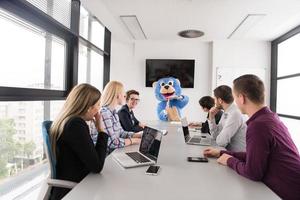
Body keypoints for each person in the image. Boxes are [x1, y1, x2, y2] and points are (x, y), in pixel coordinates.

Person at [203, 74, 300, 199]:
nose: (234, 102)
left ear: (242, 98)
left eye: (235, 97)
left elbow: (253, 172)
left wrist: (229, 160)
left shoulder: (258, 125)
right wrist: (221, 153)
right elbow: (255, 156)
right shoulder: (270, 118)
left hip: (288, 191)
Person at [50, 84, 108, 199]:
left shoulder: (67, 120)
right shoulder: (75, 124)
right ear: (88, 107)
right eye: (98, 105)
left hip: (75, 182)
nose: (99, 109)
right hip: (76, 189)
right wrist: (101, 131)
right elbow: (97, 166)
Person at [100, 81, 142, 154]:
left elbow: (121, 133)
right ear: (118, 95)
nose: (125, 97)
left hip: (115, 152)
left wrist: (139, 135)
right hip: (107, 156)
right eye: (124, 95)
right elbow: (112, 143)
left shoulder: (114, 112)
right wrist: (134, 140)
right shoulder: (104, 113)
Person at [208, 85, 246, 151]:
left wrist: (218, 138)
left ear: (220, 100)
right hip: (227, 152)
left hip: (236, 156)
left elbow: (221, 142)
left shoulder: (234, 114)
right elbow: (215, 136)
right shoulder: (226, 112)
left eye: (215, 99)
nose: (214, 102)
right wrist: (212, 118)